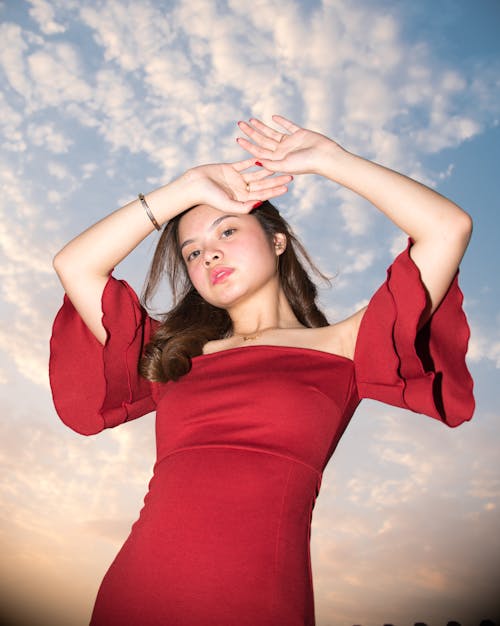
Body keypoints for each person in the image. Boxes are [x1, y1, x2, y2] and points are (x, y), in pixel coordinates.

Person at [49, 115, 475, 626]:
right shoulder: (173, 358)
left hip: (258, 600)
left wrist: (330, 161)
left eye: (227, 230)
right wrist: (183, 189)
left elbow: (447, 228)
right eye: (192, 252)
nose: (209, 254)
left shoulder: (346, 348)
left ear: (278, 242)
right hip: (138, 592)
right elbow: (75, 265)